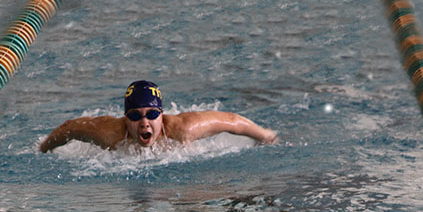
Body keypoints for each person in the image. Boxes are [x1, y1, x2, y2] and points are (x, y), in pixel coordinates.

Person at [39, 80, 278, 152]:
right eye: (135, 115)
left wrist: (264, 135)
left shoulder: (183, 128)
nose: (144, 122)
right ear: (125, 117)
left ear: (161, 116)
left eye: (152, 114)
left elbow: (230, 120)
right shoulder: (109, 133)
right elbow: (68, 128)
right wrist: (43, 149)